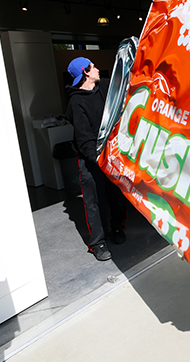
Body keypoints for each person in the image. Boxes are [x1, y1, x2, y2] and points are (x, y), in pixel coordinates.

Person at [65, 57, 128, 261]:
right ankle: (97, 243)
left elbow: (126, 82)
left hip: (110, 153)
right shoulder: (76, 101)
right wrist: (97, 158)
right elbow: (83, 137)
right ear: (86, 72)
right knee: (94, 201)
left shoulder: (104, 87)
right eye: (94, 67)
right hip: (90, 157)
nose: (98, 69)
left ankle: (117, 229)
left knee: (117, 194)